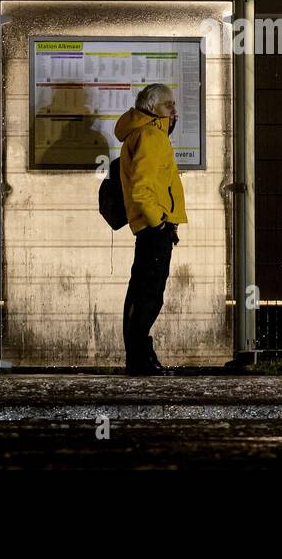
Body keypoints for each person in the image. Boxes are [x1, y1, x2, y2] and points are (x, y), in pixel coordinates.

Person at [115, 83, 188, 375]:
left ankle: (139, 357)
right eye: (168, 105)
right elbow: (142, 188)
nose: (174, 110)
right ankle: (140, 360)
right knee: (149, 294)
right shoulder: (150, 136)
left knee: (141, 292)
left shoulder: (145, 134)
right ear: (152, 107)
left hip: (151, 226)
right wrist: (159, 222)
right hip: (153, 227)